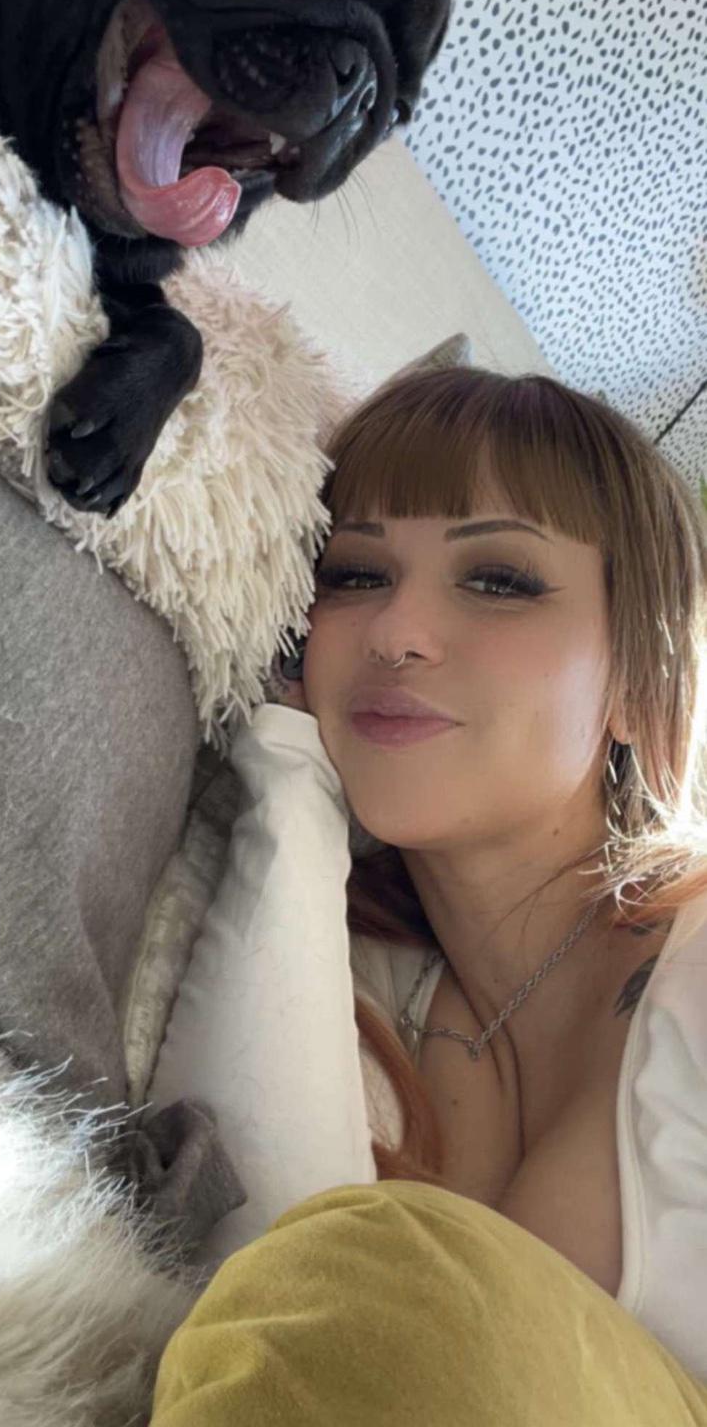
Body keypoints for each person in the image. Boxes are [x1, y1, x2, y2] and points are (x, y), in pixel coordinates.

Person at [147, 363, 707, 1424]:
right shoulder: (371, 982)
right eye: (355, 574)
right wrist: (293, 789)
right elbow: (258, 1286)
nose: (395, 631)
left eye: (497, 580)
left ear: (639, 679)